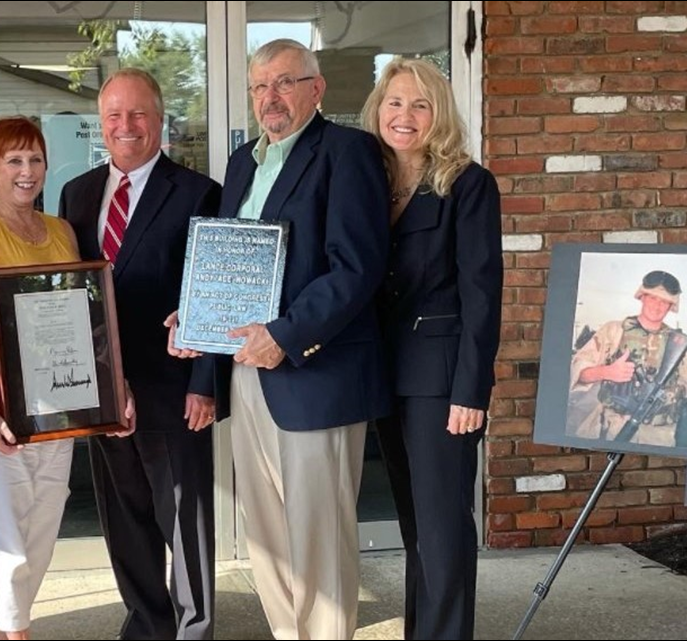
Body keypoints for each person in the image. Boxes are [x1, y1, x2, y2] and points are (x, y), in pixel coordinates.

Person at [168, 39, 390, 639]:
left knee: (317, 536)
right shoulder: (242, 162)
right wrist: (195, 316)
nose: (271, 96)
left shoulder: (348, 153)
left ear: (316, 90)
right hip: (246, 369)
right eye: (260, 85)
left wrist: (286, 335)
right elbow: (231, 263)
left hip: (314, 371)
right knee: (266, 535)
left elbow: (357, 267)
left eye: (285, 82)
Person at [0, 116, 134, 640]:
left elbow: (86, 320)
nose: (26, 171)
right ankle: (14, 633)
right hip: (2, 405)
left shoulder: (61, 230)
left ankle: (6, 627)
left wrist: (110, 392)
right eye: (14, 161)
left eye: (34, 159)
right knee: (6, 525)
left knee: (42, 523)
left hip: (62, 400)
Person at [58, 69, 221, 640]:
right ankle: (147, 625)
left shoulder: (199, 192)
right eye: (113, 116)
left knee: (186, 521)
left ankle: (193, 628)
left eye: (138, 115)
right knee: (125, 518)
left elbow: (211, 293)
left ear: (160, 120)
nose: (125, 127)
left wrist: (207, 382)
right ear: (100, 124)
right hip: (101, 388)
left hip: (173, 389)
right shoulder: (76, 194)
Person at [359, 57, 504, 640]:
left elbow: (482, 295)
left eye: (420, 104)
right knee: (415, 525)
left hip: (442, 382)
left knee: (444, 529)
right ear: (378, 109)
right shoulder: (368, 181)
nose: (405, 115)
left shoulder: (467, 183)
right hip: (383, 376)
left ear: (438, 114)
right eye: (395, 102)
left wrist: (472, 389)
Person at [569, 270, 687, 447]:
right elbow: (579, 370)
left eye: (664, 302)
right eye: (653, 298)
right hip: (612, 426)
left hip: (660, 435)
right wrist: (606, 372)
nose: (657, 306)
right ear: (642, 297)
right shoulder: (614, 331)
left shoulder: (677, 343)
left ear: (671, 306)